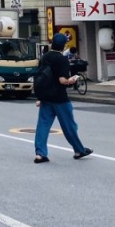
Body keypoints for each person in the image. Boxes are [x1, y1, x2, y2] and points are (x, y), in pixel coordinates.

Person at [34, 33, 93, 164]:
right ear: (64, 45)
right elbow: (62, 80)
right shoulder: (61, 59)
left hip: (46, 97)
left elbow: (41, 76)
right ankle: (79, 150)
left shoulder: (45, 57)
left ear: (52, 43)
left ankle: (40, 154)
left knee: (43, 126)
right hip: (60, 98)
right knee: (69, 126)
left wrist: (40, 96)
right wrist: (72, 79)